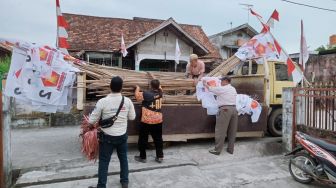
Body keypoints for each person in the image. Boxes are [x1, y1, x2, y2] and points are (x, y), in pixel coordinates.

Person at [88, 76, 136, 188]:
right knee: (123, 158)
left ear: (110, 87)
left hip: (107, 138)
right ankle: (124, 182)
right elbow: (132, 117)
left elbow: (91, 120)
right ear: (121, 88)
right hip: (122, 136)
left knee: (104, 161)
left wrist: (90, 127)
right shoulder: (127, 101)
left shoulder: (102, 101)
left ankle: (101, 185)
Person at [204, 76, 238, 155]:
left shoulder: (223, 88)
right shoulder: (233, 89)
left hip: (225, 110)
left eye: (221, 81)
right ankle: (230, 149)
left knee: (221, 130)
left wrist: (205, 84)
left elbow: (211, 89)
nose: (220, 82)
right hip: (234, 110)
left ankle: (217, 150)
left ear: (225, 81)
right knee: (232, 131)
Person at [134, 79, 164, 163]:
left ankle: (142, 157)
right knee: (158, 139)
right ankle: (160, 156)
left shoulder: (146, 94)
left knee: (143, 138)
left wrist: (137, 88)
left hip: (146, 120)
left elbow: (137, 96)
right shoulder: (161, 92)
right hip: (158, 120)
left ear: (150, 86)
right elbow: (160, 87)